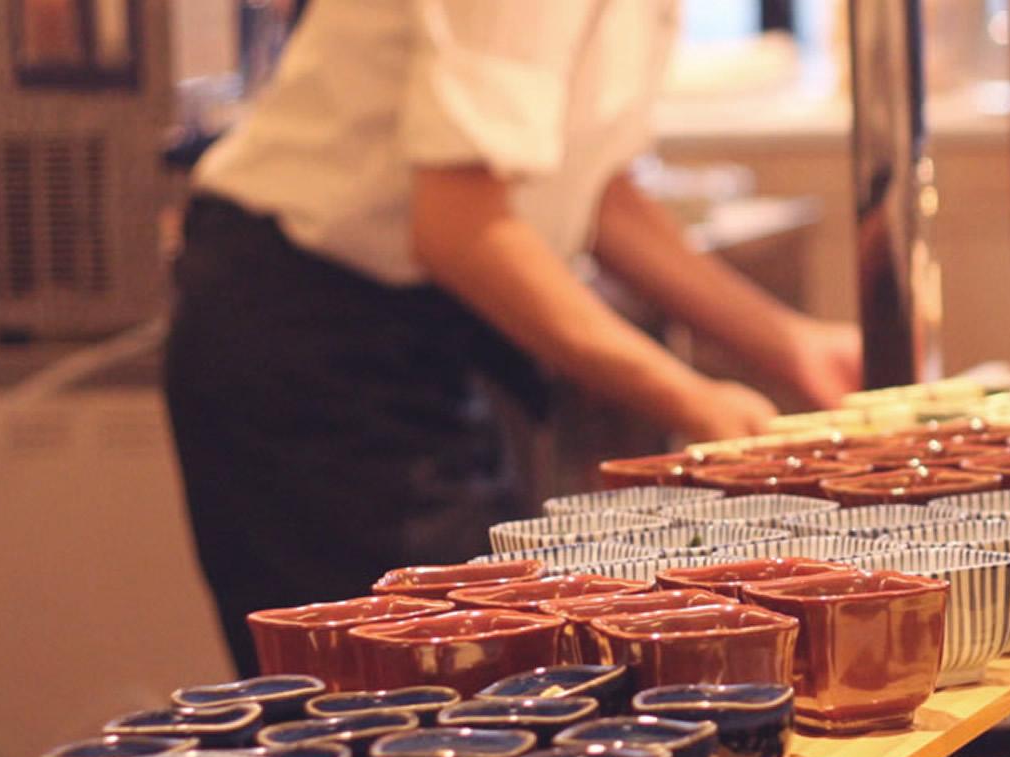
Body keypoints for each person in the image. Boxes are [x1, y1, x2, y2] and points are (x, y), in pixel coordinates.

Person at [163, 0, 862, 677]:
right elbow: (456, 224)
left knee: (489, 674)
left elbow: (600, 196)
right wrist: (693, 400)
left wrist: (793, 344)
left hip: (417, 328)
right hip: (304, 336)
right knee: (419, 707)